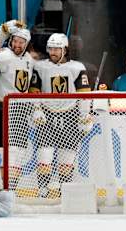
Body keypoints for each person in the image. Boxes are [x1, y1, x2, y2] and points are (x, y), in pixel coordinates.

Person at [29, 33, 92, 197]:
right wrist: (37, 109)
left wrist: (85, 115)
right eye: (50, 48)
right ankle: (43, 189)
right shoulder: (40, 66)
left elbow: (84, 94)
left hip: (70, 115)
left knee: (67, 159)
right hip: (46, 116)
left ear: (65, 49)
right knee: (44, 156)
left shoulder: (77, 67)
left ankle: (65, 192)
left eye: (57, 48)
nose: (53, 52)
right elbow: (34, 90)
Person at [0, 26, 35, 187]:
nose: (17, 45)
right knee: (6, 150)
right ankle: (6, 186)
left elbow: (27, 86)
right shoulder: (3, 55)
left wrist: (34, 107)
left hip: (21, 109)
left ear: (26, 44)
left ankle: (12, 186)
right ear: (10, 40)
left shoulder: (29, 59)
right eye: (15, 41)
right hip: (2, 108)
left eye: (21, 42)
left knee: (18, 150)